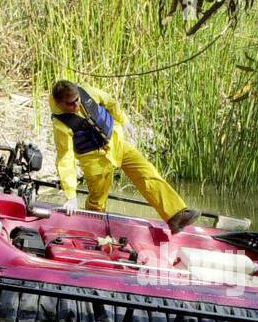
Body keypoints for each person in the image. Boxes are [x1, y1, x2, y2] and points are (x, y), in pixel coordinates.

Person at [48, 79, 200, 233]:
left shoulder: (87, 91)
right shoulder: (60, 125)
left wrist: (124, 120)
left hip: (116, 144)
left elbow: (110, 102)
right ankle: (92, 232)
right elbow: (65, 160)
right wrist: (71, 196)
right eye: (70, 104)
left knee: (147, 172)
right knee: (97, 202)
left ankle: (176, 216)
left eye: (77, 100)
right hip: (95, 161)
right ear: (59, 103)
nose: (76, 105)